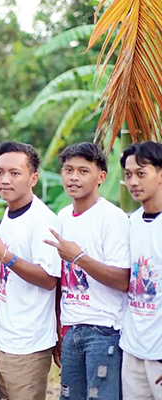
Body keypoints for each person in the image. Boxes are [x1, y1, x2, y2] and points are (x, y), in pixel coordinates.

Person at [0, 141, 60, 400]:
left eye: (14, 173)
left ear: (34, 178)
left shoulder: (43, 221)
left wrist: (5, 257)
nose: (5, 179)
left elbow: (49, 279)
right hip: (2, 338)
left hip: (28, 344)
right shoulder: (10, 213)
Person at [44, 143, 129, 400]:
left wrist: (79, 257)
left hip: (105, 331)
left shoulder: (113, 219)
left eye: (83, 171)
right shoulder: (62, 217)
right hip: (71, 330)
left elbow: (122, 279)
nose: (73, 177)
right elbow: (61, 282)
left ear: (101, 176)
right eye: (68, 170)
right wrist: (60, 330)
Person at [119, 141, 162, 399]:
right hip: (133, 348)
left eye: (141, 173)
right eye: (128, 175)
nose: (133, 181)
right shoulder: (131, 222)